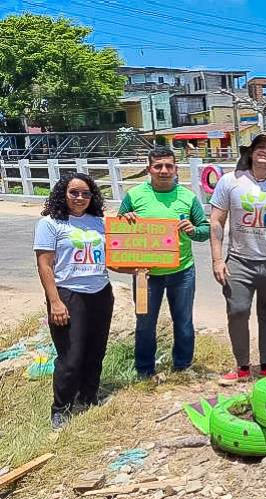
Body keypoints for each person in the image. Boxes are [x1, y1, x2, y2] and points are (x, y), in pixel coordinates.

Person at [209, 134, 266, 384]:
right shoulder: (231, 181)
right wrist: (217, 259)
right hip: (239, 260)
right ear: (250, 152)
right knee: (237, 311)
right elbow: (216, 220)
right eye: (260, 147)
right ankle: (242, 366)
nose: (265, 151)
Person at [118, 147, 210, 378]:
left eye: (169, 166)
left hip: (182, 271)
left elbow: (205, 231)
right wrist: (125, 218)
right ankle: (144, 370)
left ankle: (182, 366)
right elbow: (118, 229)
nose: (164, 170)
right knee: (145, 323)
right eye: (158, 166)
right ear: (149, 169)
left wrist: (193, 230)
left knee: (184, 322)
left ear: (176, 169)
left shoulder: (188, 197)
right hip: (145, 274)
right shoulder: (134, 195)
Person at [34, 173, 115, 429]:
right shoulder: (50, 223)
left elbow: (114, 258)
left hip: (101, 292)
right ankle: (61, 408)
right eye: (74, 193)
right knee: (71, 356)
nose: (80, 198)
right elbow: (45, 265)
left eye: (86, 193)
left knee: (96, 351)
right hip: (68, 294)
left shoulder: (100, 223)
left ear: (93, 197)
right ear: (63, 193)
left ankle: (88, 397)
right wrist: (55, 302)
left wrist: (139, 266)